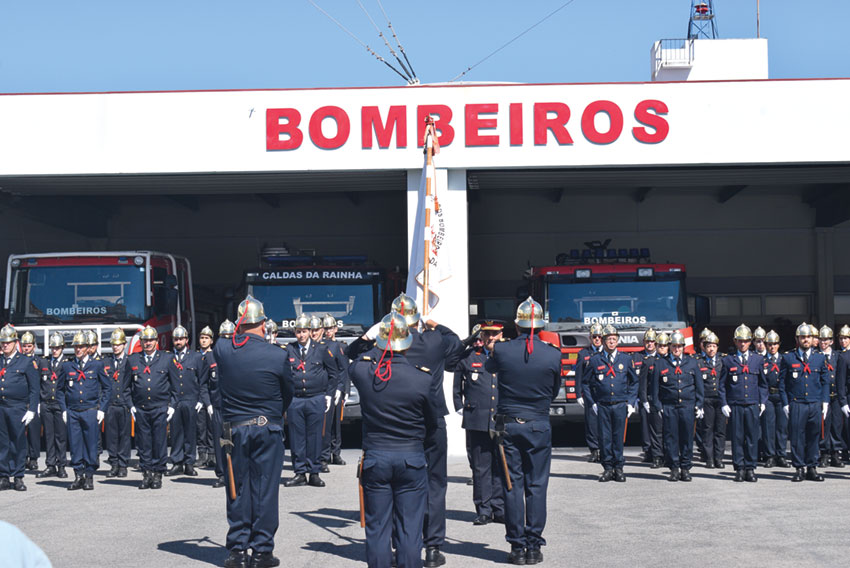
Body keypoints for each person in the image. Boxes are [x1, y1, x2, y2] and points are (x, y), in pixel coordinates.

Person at [350, 311, 438, 568]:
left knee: (377, 528)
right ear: (407, 343)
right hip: (411, 456)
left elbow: (351, 355)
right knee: (410, 528)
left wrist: (372, 341)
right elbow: (432, 423)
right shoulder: (422, 378)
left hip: (376, 457)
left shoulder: (364, 371)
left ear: (379, 343)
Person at [215, 295, 293, 568]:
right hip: (266, 426)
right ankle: (262, 550)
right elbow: (288, 393)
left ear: (240, 324)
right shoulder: (278, 355)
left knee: (235, 488)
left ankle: (237, 550)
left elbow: (226, 344)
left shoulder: (223, 349)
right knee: (265, 490)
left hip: (232, 428)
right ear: (263, 324)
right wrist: (272, 414)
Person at [485, 297, 560, 565]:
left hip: (509, 426)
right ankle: (534, 546)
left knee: (512, 485)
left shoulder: (502, 351)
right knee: (537, 486)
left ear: (516, 326)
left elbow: (489, 368)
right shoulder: (553, 353)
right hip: (538, 423)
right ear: (541, 327)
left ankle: (517, 547)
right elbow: (553, 391)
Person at [391, 293, 463, 568]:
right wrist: (434, 325)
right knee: (434, 484)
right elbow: (455, 341)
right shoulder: (433, 340)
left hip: (400, 422)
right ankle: (433, 547)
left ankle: (402, 544)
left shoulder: (385, 345)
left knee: (400, 486)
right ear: (416, 320)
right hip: (432, 420)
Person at [453, 320, 505, 526]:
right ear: (480, 336)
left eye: (494, 334)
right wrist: (459, 405)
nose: (490, 337)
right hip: (477, 418)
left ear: (501, 334)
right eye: (486, 334)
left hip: (501, 418)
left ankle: (499, 508)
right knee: (481, 467)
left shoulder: (507, 355)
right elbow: (452, 367)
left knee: (500, 465)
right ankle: (483, 509)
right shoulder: (469, 357)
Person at [283, 314, 339, 488]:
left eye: (304, 331)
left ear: (309, 332)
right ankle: (300, 472)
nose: (301, 335)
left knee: (315, 436)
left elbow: (334, 373)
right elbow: (283, 375)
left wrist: (329, 395)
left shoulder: (321, 349)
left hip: (316, 398)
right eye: (298, 332)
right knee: (296, 437)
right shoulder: (289, 349)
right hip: (296, 399)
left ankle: (314, 472)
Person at [583, 324, 639, 484]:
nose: (611, 342)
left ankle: (619, 468)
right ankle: (608, 468)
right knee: (605, 438)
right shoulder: (595, 360)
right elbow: (585, 383)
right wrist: (592, 402)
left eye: (614, 339)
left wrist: (631, 402)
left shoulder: (626, 359)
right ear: (603, 341)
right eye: (608, 339)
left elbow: (634, 382)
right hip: (603, 405)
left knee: (618, 437)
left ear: (618, 341)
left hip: (620, 404)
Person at [58, 331, 111, 491]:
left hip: (90, 410)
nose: (78, 349)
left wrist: (102, 409)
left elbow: (107, 388)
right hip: (73, 411)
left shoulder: (97, 365)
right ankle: (78, 475)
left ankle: (89, 475)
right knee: (75, 444)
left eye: (81, 346)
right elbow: (59, 390)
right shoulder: (67, 366)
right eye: (76, 346)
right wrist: (64, 409)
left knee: (91, 444)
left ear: (88, 348)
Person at [129, 325, 179, 490]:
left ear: (156, 341)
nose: (148, 343)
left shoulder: (166, 358)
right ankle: (146, 473)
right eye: (145, 340)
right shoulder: (133, 360)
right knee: (143, 443)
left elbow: (176, 385)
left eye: (151, 340)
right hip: (141, 408)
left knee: (159, 442)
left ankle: (158, 473)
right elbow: (126, 387)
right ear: (141, 342)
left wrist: (172, 405)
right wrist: (131, 406)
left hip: (160, 407)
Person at [780, 323, 829, 482]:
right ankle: (799, 468)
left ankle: (812, 467)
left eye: (808, 337)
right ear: (797, 339)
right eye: (802, 337)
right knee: (797, 437)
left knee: (813, 436)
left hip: (814, 403)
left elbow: (825, 381)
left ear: (812, 339)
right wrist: (785, 403)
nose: (806, 340)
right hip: (797, 403)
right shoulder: (788, 358)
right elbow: (782, 383)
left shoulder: (819, 358)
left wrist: (825, 401)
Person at [651, 331, 703, 481]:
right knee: (670, 438)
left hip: (687, 406)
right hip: (669, 406)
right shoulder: (660, 363)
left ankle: (685, 468)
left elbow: (699, 385)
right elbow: (655, 388)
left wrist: (699, 404)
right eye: (674, 346)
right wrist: (658, 406)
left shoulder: (692, 362)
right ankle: (674, 468)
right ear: (669, 347)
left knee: (687, 438)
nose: (677, 349)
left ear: (683, 347)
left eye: (679, 346)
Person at [719, 324, 768, 482]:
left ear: (750, 342)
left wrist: (763, 401)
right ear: (735, 341)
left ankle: (750, 468)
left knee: (752, 437)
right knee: (737, 438)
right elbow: (722, 385)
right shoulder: (728, 360)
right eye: (740, 341)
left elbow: (763, 384)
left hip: (752, 404)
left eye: (746, 341)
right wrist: (724, 403)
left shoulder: (757, 359)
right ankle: (739, 468)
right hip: (736, 404)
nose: (743, 344)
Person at [0, 325, 39, 491]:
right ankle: (3, 476)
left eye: (8, 343)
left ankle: (18, 476)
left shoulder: (25, 361)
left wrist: (32, 410)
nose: (5, 345)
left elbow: (34, 388)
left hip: (18, 407)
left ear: (15, 343)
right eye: (2, 342)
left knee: (18, 442)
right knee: (2, 443)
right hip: (1, 407)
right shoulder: (1, 360)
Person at [167, 325, 208, 477]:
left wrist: (201, 400)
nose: (178, 342)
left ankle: (189, 463)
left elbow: (203, 381)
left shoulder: (196, 357)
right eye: (176, 339)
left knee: (190, 433)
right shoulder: (168, 358)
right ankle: (177, 463)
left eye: (181, 339)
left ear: (186, 340)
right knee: (176, 433)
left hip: (191, 400)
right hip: (175, 401)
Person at [35, 332, 69, 479]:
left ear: (62, 348)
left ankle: (61, 465)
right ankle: (50, 465)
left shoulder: (67, 363)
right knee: (48, 436)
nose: (54, 350)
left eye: (57, 348)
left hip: (60, 404)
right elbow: (38, 383)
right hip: (46, 403)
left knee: (60, 436)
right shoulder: (44, 362)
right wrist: (38, 403)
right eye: (52, 348)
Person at [320, 314, 350, 468]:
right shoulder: (319, 345)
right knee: (326, 423)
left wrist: (342, 389)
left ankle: (336, 453)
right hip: (325, 388)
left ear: (335, 329)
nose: (328, 331)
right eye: (325, 328)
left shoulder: (340, 346)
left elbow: (343, 370)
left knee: (336, 424)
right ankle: (325, 454)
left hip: (336, 389)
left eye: (330, 328)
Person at [104, 329, 132, 478]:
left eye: (118, 344)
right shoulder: (107, 362)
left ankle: (123, 465)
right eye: (113, 344)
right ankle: (114, 463)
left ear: (124, 345)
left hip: (124, 404)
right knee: (111, 436)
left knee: (124, 436)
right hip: (111, 404)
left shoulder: (129, 362)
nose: (115, 347)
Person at [574, 323, 603, 463]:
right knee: (591, 422)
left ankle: (604, 450)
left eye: (599, 336)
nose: (597, 339)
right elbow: (578, 375)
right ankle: (594, 450)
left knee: (605, 422)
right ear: (590, 338)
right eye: (594, 336)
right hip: (590, 392)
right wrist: (578, 394)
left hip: (605, 392)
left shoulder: (608, 352)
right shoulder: (583, 354)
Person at [697, 332, 727, 469]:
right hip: (707, 399)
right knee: (707, 429)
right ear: (704, 347)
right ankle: (709, 458)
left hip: (720, 400)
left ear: (717, 347)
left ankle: (719, 458)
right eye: (709, 346)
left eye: (714, 346)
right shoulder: (699, 362)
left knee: (720, 430)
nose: (711, 349)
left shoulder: (723, 361)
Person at [759, 330, 788, 468]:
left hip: (781, 396)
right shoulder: (762, 361)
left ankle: (781, 455)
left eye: (775, 344)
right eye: (770, 344)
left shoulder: (784, 359)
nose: (772, 347)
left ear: (779, 345)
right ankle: (770, 455)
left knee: (782, 427)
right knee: (768, 426)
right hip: (768, 396)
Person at [635, 328, 662, 468]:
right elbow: (636, 380)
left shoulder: (661, 357)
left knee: (659, 428)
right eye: (647, 341)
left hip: (659, 398)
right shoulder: (637, 357)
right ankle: (648, 451)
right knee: (645, 426)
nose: (650, 344)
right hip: (644, 397)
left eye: (652, 341)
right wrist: (638, 398)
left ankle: (659, 452)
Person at [818, 325, 844, 468]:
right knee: (824, 425)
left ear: (831, 341)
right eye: (821, 339)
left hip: (836, 395)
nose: (823, 342)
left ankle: (835, 453)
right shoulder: (816, 356)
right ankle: (824, 453)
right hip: (823, 396)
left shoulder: (837, 356)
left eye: (826, 339)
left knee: (836, 424)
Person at [20, 332, 41, 472]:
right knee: (21, 432)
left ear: (34, 346)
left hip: (34, 400)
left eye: (29, 346)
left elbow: (40, 384)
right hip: (22, 400)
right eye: (24, 346)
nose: (26, 349)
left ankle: (33, 458)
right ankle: (23, 457)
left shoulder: (39, 362)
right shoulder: (19, 361)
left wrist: (38, 402)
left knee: (34, 431)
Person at [197, 326, 216, 469]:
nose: (204, 341)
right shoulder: (195, 356)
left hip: (210, 396)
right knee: (200, 427)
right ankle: (202, 455)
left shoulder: (214, 356)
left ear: (211, 340)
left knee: (211, 428)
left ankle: (212, 455)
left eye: (206, 338)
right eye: (202, 338)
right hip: (198, 397)